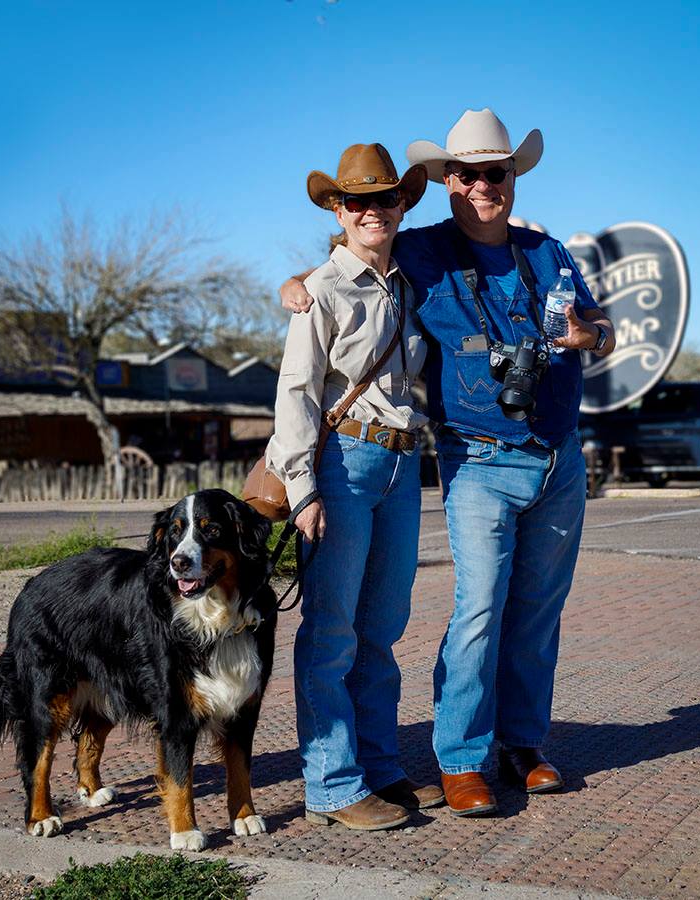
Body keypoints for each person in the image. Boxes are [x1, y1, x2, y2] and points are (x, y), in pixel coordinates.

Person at [281, 109, 615, 817]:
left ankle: (510, 748)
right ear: (447, 181)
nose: (482, 185)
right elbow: (339, 290)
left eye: (496, 172)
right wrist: (296, 282)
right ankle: (436, 763)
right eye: (468, 173)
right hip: (460, 460)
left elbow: (602, 326)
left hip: (532, 457)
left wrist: (592, 336)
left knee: (512, 616)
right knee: (466, 611)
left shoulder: (543, 252)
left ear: (512, 177)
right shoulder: (418, 252)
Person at [265, 143, 444, 830]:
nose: (373, 211)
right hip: (342, 463)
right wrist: (303, 489)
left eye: (385, 199)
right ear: (338, 211)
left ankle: (379, 767)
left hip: (401, 466)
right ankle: (332, 786)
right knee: (332, 630)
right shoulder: (321, 290)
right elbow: (296, 390)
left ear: (401, 205)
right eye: (357, 201)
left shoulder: (406, 283)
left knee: (382, 628)